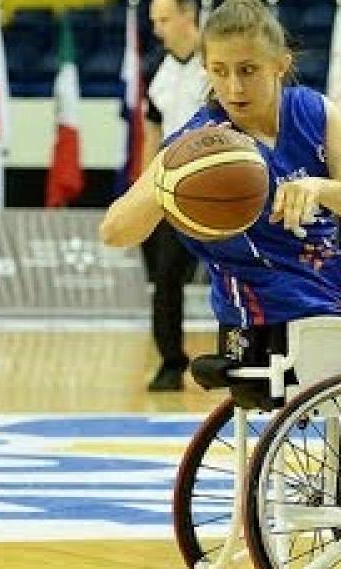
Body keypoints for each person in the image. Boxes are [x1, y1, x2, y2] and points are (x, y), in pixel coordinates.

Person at [101, 0, 341, 383]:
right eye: (220, 72)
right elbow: (114, 231)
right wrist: (167, 182)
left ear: (281, 65)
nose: (234, 87)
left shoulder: (314, 111)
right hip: (262, 331)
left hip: (328, 311)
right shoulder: (200, 145)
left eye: (248, 70)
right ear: (206, 70)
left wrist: (320, 187)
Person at [140, 0, 210, 391]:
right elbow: (152, 132)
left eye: (164, 20)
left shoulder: (217, 64)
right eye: (154, 21)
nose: (157, 29)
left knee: (235, 275)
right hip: (173, 191)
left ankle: (244, 359)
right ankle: (170, 363)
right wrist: (146, 191)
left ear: (189, 16)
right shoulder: (158, 71)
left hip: (220, 189)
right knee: (166, 277)